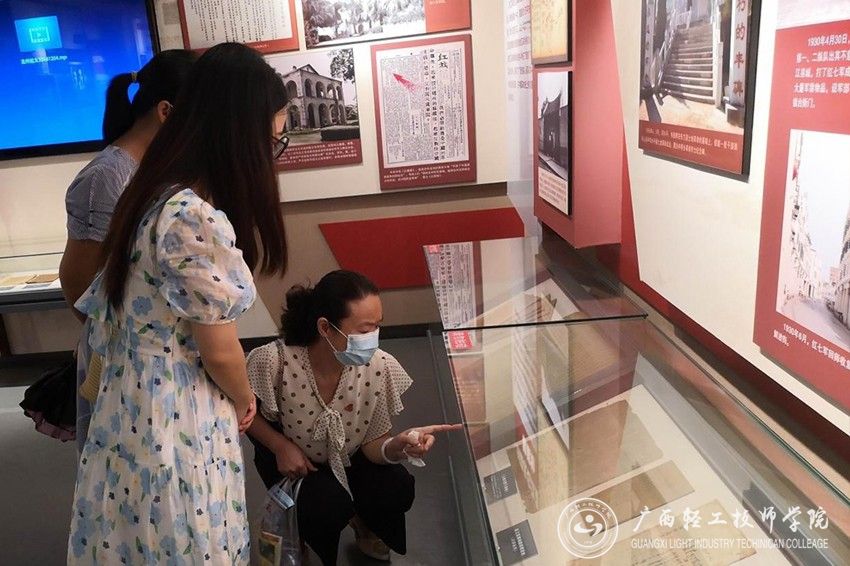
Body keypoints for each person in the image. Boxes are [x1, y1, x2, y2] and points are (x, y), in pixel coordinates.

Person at [67, 42, 289, 565]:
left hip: (129, 402)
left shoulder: (150, 192)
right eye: (273, 140)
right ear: (238, 136)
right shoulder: (194, 216)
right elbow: (220, 351)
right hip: (176, 410)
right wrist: (246, 400)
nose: (272, 154)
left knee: (132, 535)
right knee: (186, 535)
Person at [246, 270, 461, 564]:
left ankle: (364, 520)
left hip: (350, 456)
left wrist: (397, 445)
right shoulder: (274, 361)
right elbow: (243, 410)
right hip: (296, 463)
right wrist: (279, 445)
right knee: (325, 507)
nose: (372, 339)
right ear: (325, 327)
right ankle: (300, 533)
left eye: (377, 327)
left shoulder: (380, 367)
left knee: (396, 487)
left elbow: (373, 445)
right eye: (364, 330)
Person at [59, 49, 196, 450]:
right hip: (124, 350)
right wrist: (116, 341)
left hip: (160, 351)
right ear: (166, 112)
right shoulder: (107, 176)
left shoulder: (156, 168)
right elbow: (77, 281)